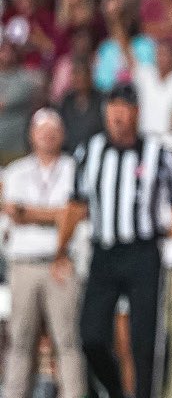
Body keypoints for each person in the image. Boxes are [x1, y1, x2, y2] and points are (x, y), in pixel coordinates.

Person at [51, 83, 172, 398]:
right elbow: (76, 206)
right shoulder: (89, 152)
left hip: (143, 253)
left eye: (123, 108)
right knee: (90, 336)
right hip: (104, 253)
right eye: (111, 107)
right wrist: (60, 250)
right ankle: (116, 390)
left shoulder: (158, 153)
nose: (116, 114)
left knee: (143, 341)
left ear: (136, 112)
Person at [1, 108, 87, 398]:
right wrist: (53, 215)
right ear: (32, 135)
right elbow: (12, 214)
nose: (48, 135)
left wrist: (29, 213)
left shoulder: (73, 168)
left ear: (62, 134)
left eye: (53, 129)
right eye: (42, 130)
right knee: (20, 342)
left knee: (67, 341)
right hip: (24, 264)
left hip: (60, 261)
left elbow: (73, 214)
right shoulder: (16, 171)